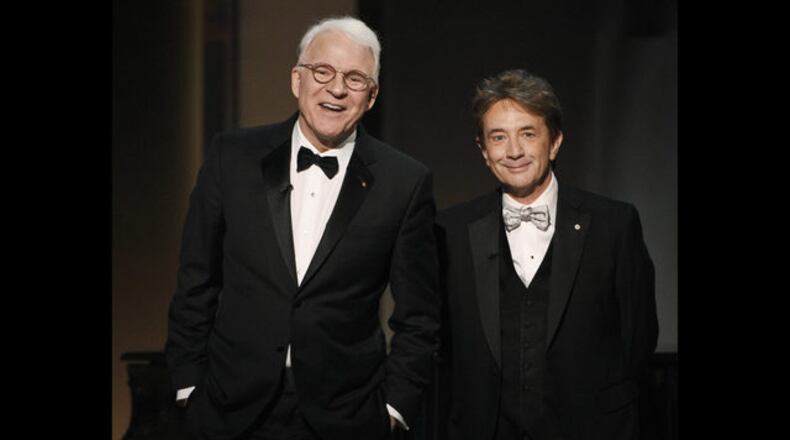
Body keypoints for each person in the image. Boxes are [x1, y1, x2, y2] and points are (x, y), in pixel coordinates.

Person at [165, 16, 440, 440]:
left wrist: (394, 408)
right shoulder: (232, 156)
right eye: (323, 71)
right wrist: (188, 386)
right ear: (297, 79)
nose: (336, 89)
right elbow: (195, 281)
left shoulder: (404, 182)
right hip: (226, 409)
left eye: (354, 78)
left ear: (371, 96)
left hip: (347, 416)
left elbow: (419, 316)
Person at [435, 69, 658, 440]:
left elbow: (638, 340)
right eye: (498, 137)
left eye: (527, 134)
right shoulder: (450, 231)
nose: (514, 151)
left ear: (554, 142)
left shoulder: (613, 225)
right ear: (483, 151)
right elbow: (442, 347)